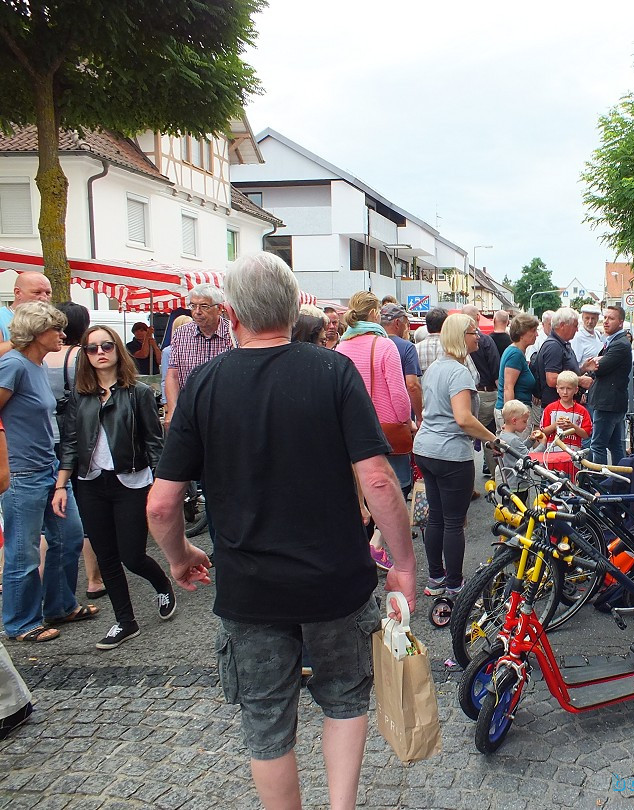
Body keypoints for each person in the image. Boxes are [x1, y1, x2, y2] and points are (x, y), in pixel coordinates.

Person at [147, 251, 416, 810]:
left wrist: (179, 555)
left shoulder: (203, 384)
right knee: (344, 698)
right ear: (295, 309)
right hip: (336, 581)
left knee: (266, 721)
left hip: (251, 588)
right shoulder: (333, 371)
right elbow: (381, 483)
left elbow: (162, 504)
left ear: (231, 313)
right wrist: (405, 567)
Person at [54, 326, 174, 650]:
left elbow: (154, 444)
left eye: (106, 345)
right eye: (92, 348)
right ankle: (125, 621)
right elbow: (70, 443)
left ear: (116, 349)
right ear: (85, 355)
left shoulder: (138, 392)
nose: (100, 352)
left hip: (131, 482)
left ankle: (162, 583)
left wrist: (164, 487)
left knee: (132, 555)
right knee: (106, 555)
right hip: (91, 483)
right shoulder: (79, 395)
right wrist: (61, 486)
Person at [0, 302, 97, 643]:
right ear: (36, 334)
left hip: (48, 469)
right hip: (22, 472)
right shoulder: (13, 365)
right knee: (23, 551)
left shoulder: (36, 365)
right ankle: (20, 623)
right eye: (55, 329)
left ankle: (58, 605)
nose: (62, 334)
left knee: (69, 536)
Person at [412, 313, 497, 597]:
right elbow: (463, 418)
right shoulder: (459, 371)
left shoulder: (436, 366)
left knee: (435, 517)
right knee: (452, 521)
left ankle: (435, 578)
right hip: (450, 452)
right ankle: (454, 583)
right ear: (462, 337)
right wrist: (492, 438)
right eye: (474, 332)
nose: (479, 337)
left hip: (426, 448)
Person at [335, 291, 413, 570]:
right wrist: (406, 420)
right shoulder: (384, 346)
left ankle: (360, 551)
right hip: (385, 427)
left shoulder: (341, 348)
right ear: (374, 315)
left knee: (361, 492)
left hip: (351, 428)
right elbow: (399, 393)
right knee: (396, 487)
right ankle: (377, 544)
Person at [44, 302, 105, 600]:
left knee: (53, 512)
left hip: (47, 436)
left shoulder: (40, 357)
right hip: (77, 436)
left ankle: (46, 582)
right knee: (85, 506)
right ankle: (94, 579)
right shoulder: (83, 356)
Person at [164, 284, 233, 431]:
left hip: (225, 414)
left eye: (204, 306)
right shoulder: (181, 334)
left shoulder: (234, 334)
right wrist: (172, 409)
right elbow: (173, 375)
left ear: (219, 308)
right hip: (189, 414)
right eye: (193, 306)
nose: (197, 312)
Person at [580, 304, 634, 466]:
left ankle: (600, 483)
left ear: (620, 322)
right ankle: (619, 480)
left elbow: (599, 368)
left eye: (611, 318)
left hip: (607, 403)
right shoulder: (613, 341)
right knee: (615, 445)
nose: (606, 322)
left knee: (597, 446)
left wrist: (590, 366)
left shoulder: (619, 344)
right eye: (605, 318)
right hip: (611, 402)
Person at [461, 305, 500, 475]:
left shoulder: (457, 343)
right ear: (477, 317)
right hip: (486, 393)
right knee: (487, 434)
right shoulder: (484, 340)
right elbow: (496, 371)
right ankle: (495, 475)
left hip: (466, 394)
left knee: (467, 436)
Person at [535, 307, 592, 408]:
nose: (577, 329)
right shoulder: (553, 346)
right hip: (557, 408)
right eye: (575, 326)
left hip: (564, 406)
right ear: (562, 325)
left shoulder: (562, 344)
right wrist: (580, 380)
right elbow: (552, 379)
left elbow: (566, 372)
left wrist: (583, 369)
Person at [380, 303, 423, 430]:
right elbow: (412, 385)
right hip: (401, 419)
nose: (407, 327)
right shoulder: (407, 347)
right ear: (398, 323)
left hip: (375, 416)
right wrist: (420, 417)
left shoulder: (372, 343)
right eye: (406, 323)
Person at [494, 313, 538, 431]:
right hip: (516, 417)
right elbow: (508, 387)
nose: (537, 334)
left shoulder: (516, 352)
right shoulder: (516, 354)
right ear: (522, 333)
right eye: (533, 331)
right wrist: (511, 420)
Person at [534, 370, 592, 449]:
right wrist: (555, 425)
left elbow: (586, 434)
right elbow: (542, 432)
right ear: (557, 389)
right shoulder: (550, 409)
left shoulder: (582, 411)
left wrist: (572, 427)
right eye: (562, 388)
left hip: (572, 454)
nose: (565, 392)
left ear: (576, 390)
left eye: (569, 388)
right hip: (552, 454)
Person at [0, 271, 53, 352]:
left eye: (48, 293)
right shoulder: (2, 317)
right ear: (18, 293)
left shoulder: (51, 319)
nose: (44, 298)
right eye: (37, 292)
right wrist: (23, 339)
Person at [495, 399, 534, 502]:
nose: (526, 425)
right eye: (524, 421)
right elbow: (528, 457)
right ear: (514, 421)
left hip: (509, 482)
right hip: (518, 483)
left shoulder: (505, 435)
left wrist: (530, 440)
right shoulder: (514, 439)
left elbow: (518, 451)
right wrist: (543, 444)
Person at [159, 315, 192, 407]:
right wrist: (166, 402)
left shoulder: (199, 348)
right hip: (178, 398)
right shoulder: (168, 351)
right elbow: (166, 378)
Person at [416, 307, 448, 374]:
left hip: (421, 384)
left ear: (427, 326)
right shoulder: (453, 348)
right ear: (446, 325)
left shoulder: (414, 349)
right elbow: (474, 377)